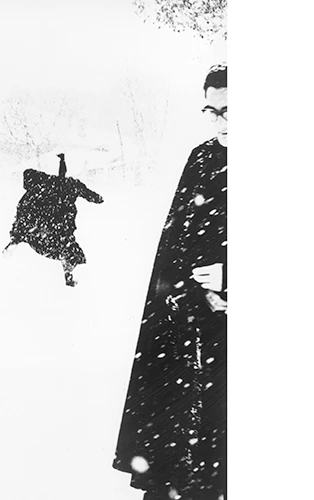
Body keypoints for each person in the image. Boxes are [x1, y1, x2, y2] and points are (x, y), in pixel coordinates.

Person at [112, 64, 227, 500]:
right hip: (192, 334)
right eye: (211, 111)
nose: (219, 121)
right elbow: (175, 246)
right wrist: (187, 293)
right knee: (179, 463)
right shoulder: (201, 158)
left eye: (230, 110)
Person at [4, 152, 103, 286]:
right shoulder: (68, 183)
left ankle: (18, 239)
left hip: (38, 234)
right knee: (69, 250)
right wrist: (97, 198)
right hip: (60, 227)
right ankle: (71, 274)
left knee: (59, 246)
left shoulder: (31, 195)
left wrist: (16, 236)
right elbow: (84, 192)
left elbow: (21, 216)